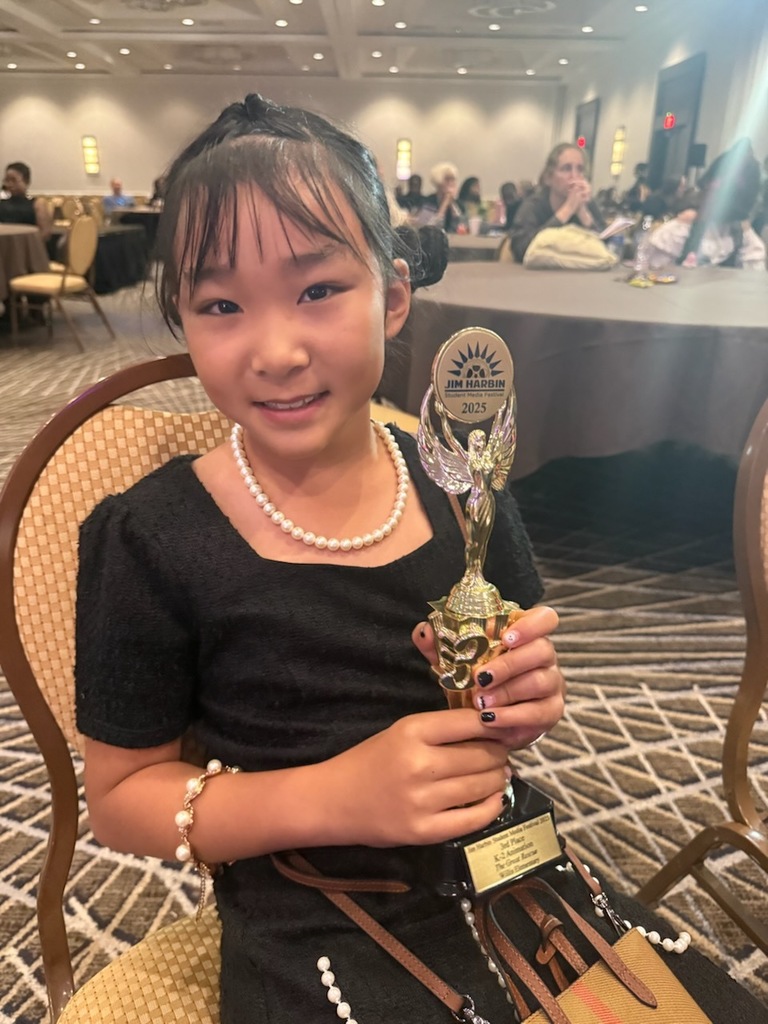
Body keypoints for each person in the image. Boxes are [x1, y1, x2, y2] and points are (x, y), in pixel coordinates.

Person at [74, 95, 766, 1024]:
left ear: (393, 297)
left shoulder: (459, 483)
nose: (276, 350)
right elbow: (120, 799)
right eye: (221, 304)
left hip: (510, 864)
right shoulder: (151, 536)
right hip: (313, 907)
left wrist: (521, 698)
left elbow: (503, 672)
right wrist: (338, 796)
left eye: (319, 290)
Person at [648, 139, 766, 270]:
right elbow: (653, 274)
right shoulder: (679, 229)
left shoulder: (743, 236)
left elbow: (752, 280)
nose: (715, 186)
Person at [508, 143, 605, 263]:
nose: (574, 176)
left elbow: (607, 251)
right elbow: (520, 249)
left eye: (580, 169)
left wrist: (583, 213)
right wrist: (567, 210)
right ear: (549, 177)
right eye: (566, 169)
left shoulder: (589, 204)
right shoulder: (533, 205)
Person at [0, 161, 53, 238]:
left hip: (30, 245)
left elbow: (45, 233)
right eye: (7, 180)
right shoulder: (2, 204)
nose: (10, 184)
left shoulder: (37, 204)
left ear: (26, 181)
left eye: (14, 180)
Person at [415, 161, 466, 232]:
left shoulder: (459, 204)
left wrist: (451, 204)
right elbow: (425, 226)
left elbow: (462, 227)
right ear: (438, 182)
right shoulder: (428, 201)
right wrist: (444, 204)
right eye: (447, 180)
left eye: (453, 179)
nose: (451, 183)